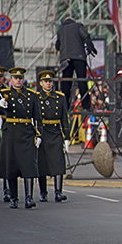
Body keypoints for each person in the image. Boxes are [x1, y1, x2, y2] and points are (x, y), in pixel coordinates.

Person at [0, 68, 43, 209]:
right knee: (11, 166)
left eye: (20, 78)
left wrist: (39, 134)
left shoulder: (32, 95)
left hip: (27, 133)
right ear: (11, 79)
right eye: (16, 78)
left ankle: (29, 197)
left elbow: (38, 117)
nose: (18, 80)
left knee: (29, 165)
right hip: (11, 132)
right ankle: (14, 198)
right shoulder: (4, 94)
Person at [36, 70, 70, 203]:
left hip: (55, 132)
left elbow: (64, 119)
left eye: (50, 81)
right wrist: (36, 134)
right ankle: (43, 192)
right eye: (46, 81)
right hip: (43, 132)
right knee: (42, 164)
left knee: (58, 162)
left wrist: (67, 137)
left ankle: (58, 191)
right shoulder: (36, 97)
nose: (48, 84)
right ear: (41, 83)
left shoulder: (60, 97)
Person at [55, 17, 97, 110]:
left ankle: (65, 105)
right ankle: (86, 105)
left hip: (66, 58)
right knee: (81, 80)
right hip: (79, 57)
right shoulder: (78, 26)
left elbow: (57, 45)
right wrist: (91, 48)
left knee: (66, 82)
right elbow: (85, 36)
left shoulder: (61, 30)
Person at [0, 66, 11, 202]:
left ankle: (7, 190)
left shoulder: (7, 91)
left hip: (6, 128)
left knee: (6, 159)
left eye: (0, 76)